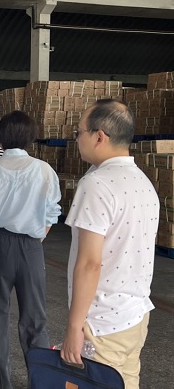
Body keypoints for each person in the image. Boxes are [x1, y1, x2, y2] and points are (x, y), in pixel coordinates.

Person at [60, 100, 159, 389]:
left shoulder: (96, 184)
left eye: (79, 132)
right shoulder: (142, 182)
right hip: (134, 316)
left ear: (99, 136)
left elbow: (90, 263)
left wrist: (74, 327)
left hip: (102, 323)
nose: (77, 139)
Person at [0, 110, 61, 389]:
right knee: (35, 319)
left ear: (2, 137)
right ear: (31, 138)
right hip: (31, 246)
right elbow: (51, 215)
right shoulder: (44, 170)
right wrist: (33, 242)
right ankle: (40, 382)